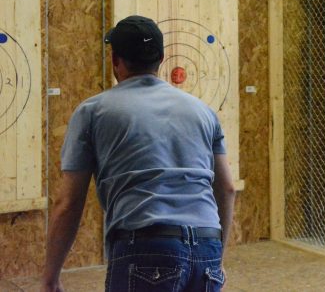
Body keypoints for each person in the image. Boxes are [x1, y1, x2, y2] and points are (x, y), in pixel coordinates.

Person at [41, 16, 236, 292]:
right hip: (207, 245)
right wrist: (216, 257)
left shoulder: (92, 112)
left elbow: (69, 203)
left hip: (145, 246)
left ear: (115, 61)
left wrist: (51, 276)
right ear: (161, 58)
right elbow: (226, 188)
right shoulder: (202, 111)